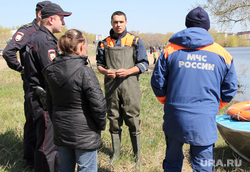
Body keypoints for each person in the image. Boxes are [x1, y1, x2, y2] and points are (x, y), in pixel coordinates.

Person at [151, 7, 238, 172]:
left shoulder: (170, 50)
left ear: (186, 26)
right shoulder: (223, 54)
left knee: (172, 163)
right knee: (203, 166)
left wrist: (167, 102)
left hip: (175, 115)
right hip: (204, 119)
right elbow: (230, 88)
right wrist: (214, 106)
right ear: (208, 28)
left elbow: (157, 83)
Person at [42, 29, 107, 172]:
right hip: (85, 131)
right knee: (86, 168)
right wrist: (101, 124)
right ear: (82, 45)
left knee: (65, 168)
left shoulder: (50, 70)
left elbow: (49, 103)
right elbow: (98, 104)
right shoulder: (85, 71)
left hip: (61, 129)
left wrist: (56, 122)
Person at [2, 1, 51, 168]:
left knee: (38, 122)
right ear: (40, 14)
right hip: (33, 84)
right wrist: (21, 68)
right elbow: (9, 51)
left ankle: (36, 158)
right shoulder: (28, 31)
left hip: (43, 84)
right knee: (33, 121)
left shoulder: (45, 33)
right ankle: (30, 160)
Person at [96, 11, 149, 165]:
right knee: (113, 119)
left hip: (130, 86)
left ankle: (137, 156)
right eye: (115, 22)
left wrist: (127, 71)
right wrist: (106, 72)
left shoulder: (135, 41)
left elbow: (144, 64)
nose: (118, 25)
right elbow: (99, 65)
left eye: (121, 22)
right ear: (111, 23)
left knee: (133, 119)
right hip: (111, 86)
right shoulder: (104, 43)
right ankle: (115, 154)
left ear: (126, 22)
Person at [24, 3, 71, 172]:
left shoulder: (39, 37)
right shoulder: (45, 41)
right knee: (47, 145)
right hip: (43, 98)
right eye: (61, 19)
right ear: (51, 19)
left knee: (46, 142)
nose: (63, 23)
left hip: (39, 95)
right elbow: (52, 73)